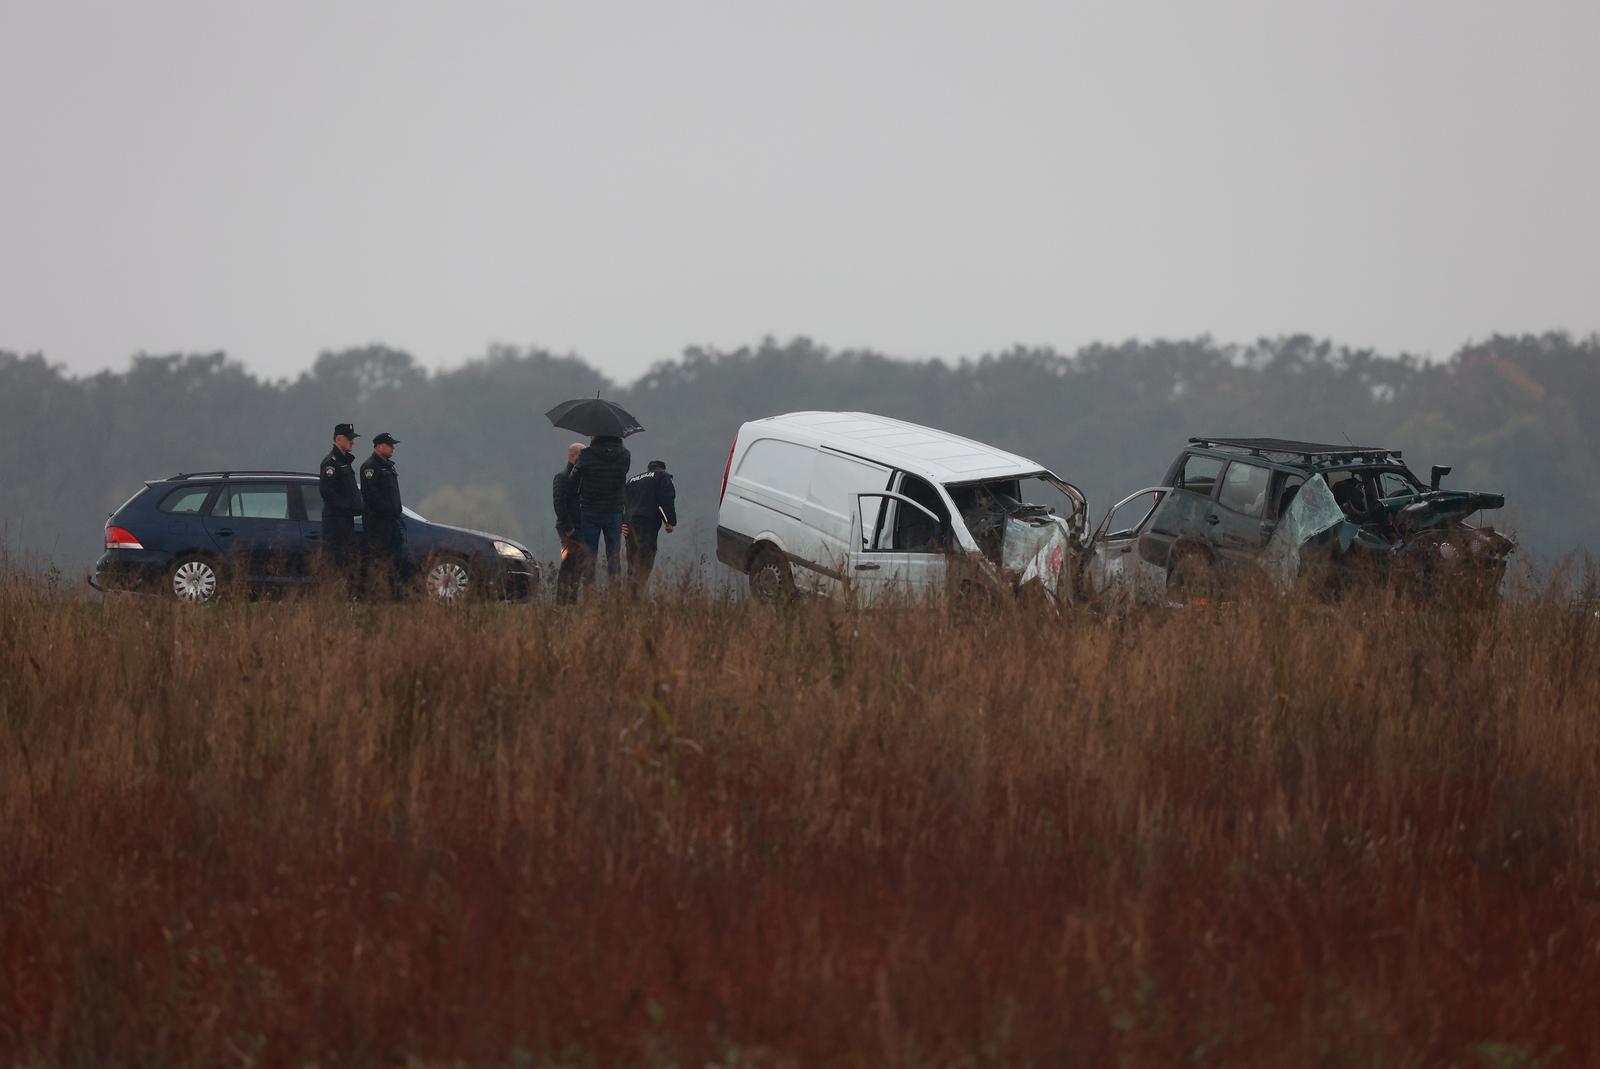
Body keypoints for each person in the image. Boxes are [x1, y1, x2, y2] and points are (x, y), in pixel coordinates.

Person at [564, 433, 631, 590]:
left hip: (590, 510)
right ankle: (615, 593)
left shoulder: (586, 454)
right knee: (614, 555)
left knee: (589, 555)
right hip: (614, 511)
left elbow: (573, 480)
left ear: (595, 436)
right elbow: (622, 477)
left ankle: (589, 593)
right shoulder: (625, 455)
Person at [318, 422, 364, 591]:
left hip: (345, 522)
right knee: (335, 561)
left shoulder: (345, 462)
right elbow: (327, 492)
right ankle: (332, 597)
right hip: (336, 522)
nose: (353, 442)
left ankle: (345, 595)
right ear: (339, 439)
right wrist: (348, 507)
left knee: (346, 560)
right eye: (349, 439)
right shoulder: (331, 463)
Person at [360, 432, 405, 598]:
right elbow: (372, 496)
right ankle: (376, 594)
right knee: (378, 559)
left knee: (394, 559)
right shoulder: (370, 467)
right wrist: (390, 511)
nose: (393, 448)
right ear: (379, 446)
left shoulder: (388, 466)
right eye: (390, 445)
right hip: (378, 524)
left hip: (391, 523)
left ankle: (393, 594)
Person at [623, 459, 677, 592]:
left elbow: (622, 502)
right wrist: (670, 521)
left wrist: (622, 522)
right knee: (646, 556)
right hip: (647, 523)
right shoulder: (662, 476)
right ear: (662, 469)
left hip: (629, 523)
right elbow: (666, 499)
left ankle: (629, 592)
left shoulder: (632, 480)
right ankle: (638, 592)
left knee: (632, 557)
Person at [551, 441, 586, 604]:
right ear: (573, 456)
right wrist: (569, 528)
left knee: (579, 563)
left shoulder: (582, 478)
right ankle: (562, 600)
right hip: (569, 528)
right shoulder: (562, 477)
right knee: (569, 563)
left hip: (580, 526)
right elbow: (559, 503)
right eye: (582, 454)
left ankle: (571, 599)